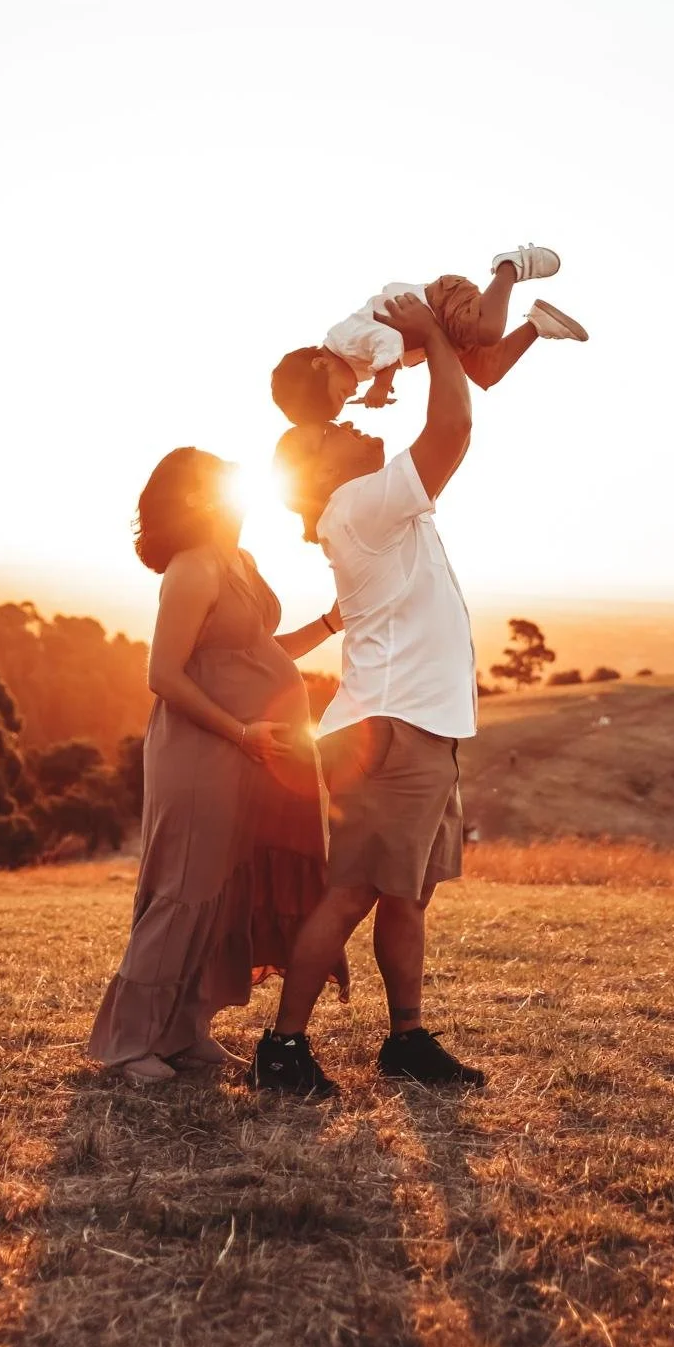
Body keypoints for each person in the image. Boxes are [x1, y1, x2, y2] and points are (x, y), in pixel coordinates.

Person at [249, 292, 488, 1098]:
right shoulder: (360, 505)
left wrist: (431, 348)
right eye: (334, 431)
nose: (352, 423)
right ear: (320, 468)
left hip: (420, 722)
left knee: (406, 896)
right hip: (395, 727)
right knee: (352, 891)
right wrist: (428, 339)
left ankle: (407, 1040)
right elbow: (452, 431)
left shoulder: (369, 503)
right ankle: (282, 1049)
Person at [88, 447, 348, 1085]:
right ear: (199, 499)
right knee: (183, 889)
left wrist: (331, 624)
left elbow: (261, 651)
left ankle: (183, 1032)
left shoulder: (241, 563)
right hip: (203, 750)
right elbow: (163, 675)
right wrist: (239, 732)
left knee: (223, 892)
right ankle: (125, 1045)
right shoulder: (192, 568)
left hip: (250, 749)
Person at [271, 244, 588, 425]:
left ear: (320, 364)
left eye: (340, 393)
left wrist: (382, 384)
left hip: (439, 303)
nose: (351, 391)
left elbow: (390, 341)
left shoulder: (345, 339)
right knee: (487, 372)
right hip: (440, 332)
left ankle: (509, 267)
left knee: (489, 331)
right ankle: (538, 323)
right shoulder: (350, 364)